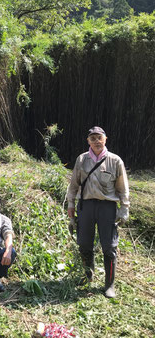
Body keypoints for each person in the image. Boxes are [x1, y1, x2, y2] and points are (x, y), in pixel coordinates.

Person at [67, 127, 130, 298]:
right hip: (86, 206)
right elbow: (73, 186)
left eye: (99, 137)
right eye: (92, 138)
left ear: (105, 139)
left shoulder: (115, 161)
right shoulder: (82, 159)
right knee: (84, 244)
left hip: (107, 207)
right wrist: (71, 207)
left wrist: (124, 209)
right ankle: (88, 276)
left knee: (109, 247)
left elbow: (123, 188)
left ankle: (109, 285)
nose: (96, 141)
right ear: (88, 141)